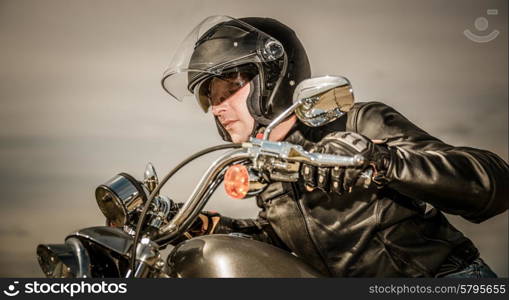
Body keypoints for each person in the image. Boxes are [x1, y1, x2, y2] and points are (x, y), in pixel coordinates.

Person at [161, 16, 509, 277]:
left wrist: (377, 161)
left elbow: (492, 183)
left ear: (272, 80)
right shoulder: (265, 162)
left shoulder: (359, 122)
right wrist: (211, 227)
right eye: (211, 98)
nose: (218, 107)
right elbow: (291, 241)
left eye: (227, 91)